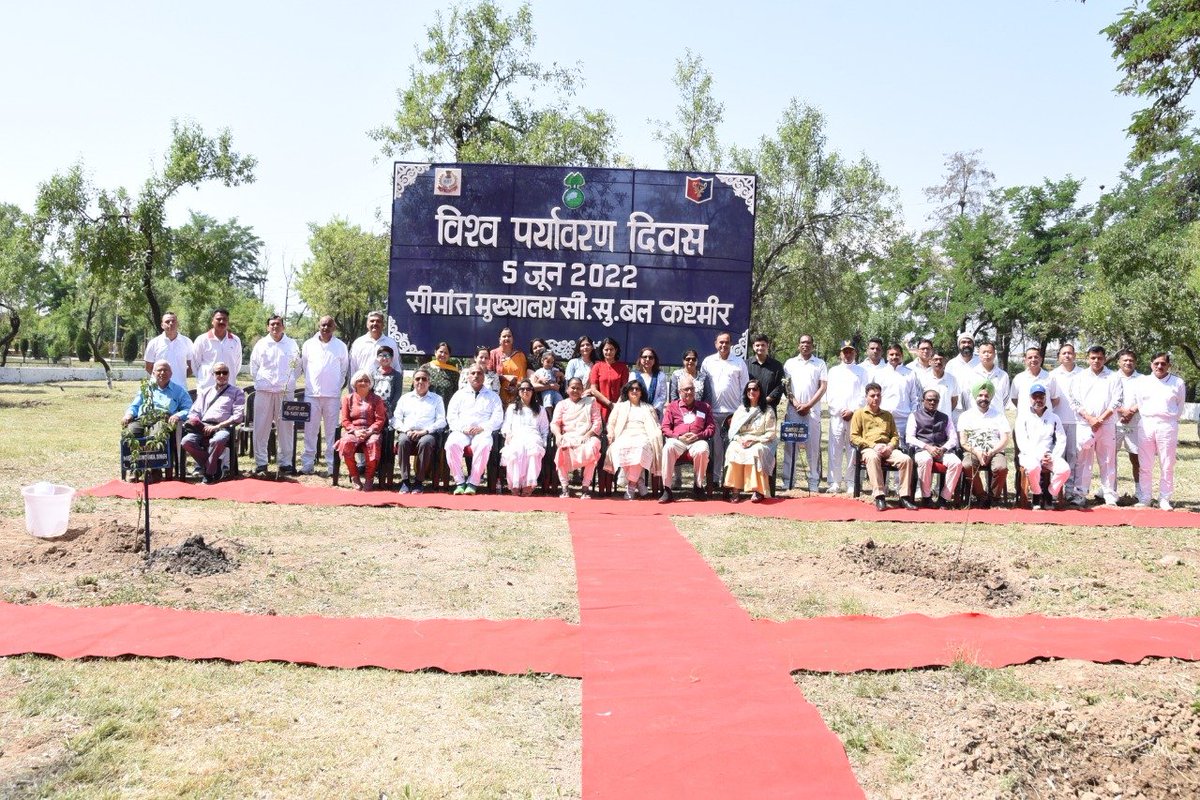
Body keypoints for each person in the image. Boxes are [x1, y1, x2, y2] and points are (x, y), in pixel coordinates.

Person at [1127, 352, 1186, 510]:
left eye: (1163, 364)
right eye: (1156, 363)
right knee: (1145, 463)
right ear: (1151, 364)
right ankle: (1145, 497)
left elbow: (1180, 406)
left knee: (1167, 463)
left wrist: (1170, 419)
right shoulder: (1143, 382)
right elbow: (1139, 402)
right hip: (1146, 423)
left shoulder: (1177, 382)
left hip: (1167, 425)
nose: (1159, 366)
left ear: (1168, 365)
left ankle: (1164, 498)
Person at [849, 382, 916, 511]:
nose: (876, 398)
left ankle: (904, 497)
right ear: (866, 397)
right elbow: (854, 437)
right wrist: (873, 446)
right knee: (873, 458)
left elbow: (895, 436)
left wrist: (890, 447)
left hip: (887, 448)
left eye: (878, 395)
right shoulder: (859, 414)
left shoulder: (887, 415)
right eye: (872, 395)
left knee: (906, 459)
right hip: (870, 448)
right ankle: (880, 496)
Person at [1070, 345, 1122, 506]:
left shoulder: (1113, 377)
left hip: (1106, 425)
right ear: (1087, 359)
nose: (1096, 361)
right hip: (1085, 425)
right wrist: (1090, 418)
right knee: (1083, 460)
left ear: (1104, 359)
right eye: (1093, 358)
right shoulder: (1079, 377)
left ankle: (1109, 494)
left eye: (1099, 358)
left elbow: (1117, 401)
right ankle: (1080, 494)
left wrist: (1100, 419)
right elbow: (1074, 401)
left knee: (1107, 460)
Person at [248, 315, 301, 475]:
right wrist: (265, 381)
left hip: (284, 392)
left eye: (278, 324)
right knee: (261, 428)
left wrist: (287, 381)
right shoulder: (261, 344)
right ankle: (261, 464)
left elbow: (297, 367)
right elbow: (254, 368)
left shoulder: (291, 344)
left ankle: (285, 464)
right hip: (264, 391)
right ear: (267, 327)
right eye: (272, 324)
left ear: (283, 327)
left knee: (285, 428)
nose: (275, 327)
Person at [181, 361, 246, 484]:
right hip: (203, 426)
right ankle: (214, 465)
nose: (221, 375)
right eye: (218, 373)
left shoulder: (237, 392)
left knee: (218, 440)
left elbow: (238, 416)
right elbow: (194, 412)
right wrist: (200, 424)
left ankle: (209, 474)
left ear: (229, 374)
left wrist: (218, 426)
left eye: (224, 372)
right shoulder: (205, 392)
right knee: (186, 441)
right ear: (213, 375)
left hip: (222, 427)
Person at [299, 315, 348, 476]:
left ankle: (331, 465)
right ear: (318, 326)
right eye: (323, 325)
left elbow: (344, 370)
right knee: (310, 431)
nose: (325, 328)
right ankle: (307, 465)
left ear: (334, 327)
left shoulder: (340, 346)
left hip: (332, 396)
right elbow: (305, 367)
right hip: (312, 394)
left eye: (329, 325)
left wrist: (336, 388)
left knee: (331, 432)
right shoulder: (308, 344)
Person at [701, 331, 749, 492]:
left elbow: (745, 388)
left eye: (727, 342)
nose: (723, 345)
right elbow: (702, 387)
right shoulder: (708, 362)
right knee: (716, 448)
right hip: (712, 412)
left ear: (731, 344)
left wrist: (742, 411)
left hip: (733, 414)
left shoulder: (739, 363)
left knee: (731, 448)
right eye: (721, 342)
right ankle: (714, 479)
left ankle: (728, 480)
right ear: (716, 344)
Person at [445, 364, 504, 495]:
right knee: (451, 444)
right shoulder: (459, 395)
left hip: (482, 432)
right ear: (468, 376)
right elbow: (451, 416)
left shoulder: (493, 396)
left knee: (483, 445)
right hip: (462, 431)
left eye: (479, 373)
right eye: (473, 373)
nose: (476, 376)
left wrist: (482, 428)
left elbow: (498, 418)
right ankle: (460, 482)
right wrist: (463, 428)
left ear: (484, 376)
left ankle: (473, 482)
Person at [781, 333, 827, 493]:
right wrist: (796, 403)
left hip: (812, 412)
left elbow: (822, 387)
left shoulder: (819, 363)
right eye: (802, 342)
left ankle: (814, 480)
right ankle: (788, 480)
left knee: (813, 447)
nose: (805, 345)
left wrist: (808, 405)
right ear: (798, 345)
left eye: (808, 342)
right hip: (793, 411)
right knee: (790, 446)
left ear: (812, 345)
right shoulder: (789, 363)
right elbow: (786, 387)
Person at [658, 374, 715, 502]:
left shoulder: (704, 407)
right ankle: (667, 489)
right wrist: (678, 437)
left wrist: (698, 436)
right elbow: (665, 428)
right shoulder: (672, 407)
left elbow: (711, 428)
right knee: (668, 447)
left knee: (703, 449)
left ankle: (698, 486)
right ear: (679, 392)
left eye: (692, 389)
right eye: (686, 389)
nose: (689, 392)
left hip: (697, 441)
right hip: (678, 441)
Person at [604, 380, 664, 500]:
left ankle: (631, 486)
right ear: (627, 391)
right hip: (624, 435)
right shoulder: (620, 406)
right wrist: (610, 432)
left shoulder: (649, 407)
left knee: (640, 448)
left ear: (641, 392)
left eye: (637, 389)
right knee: (619, 448)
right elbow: (611, 423)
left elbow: (656, 424)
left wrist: (657, 433)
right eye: (632, 389)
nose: (635, 391)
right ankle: (639, 481)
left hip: (643, 435)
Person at [1015, 383, 1070, 511]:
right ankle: (1036, 494)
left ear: (1046, 398)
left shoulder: (1054, 418)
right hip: (1029, 455)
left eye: (1041, 397)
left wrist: (1052, 456)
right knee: (1034, 467)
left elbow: (1061, 439)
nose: (1038, 400)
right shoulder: (1023, 417)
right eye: (1035, 397)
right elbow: (1022, 441)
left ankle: (1049, 494)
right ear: (1030, 398)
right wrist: (1039, 457)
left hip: (1049, 456)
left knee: (1064, 469)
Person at [722, 379, 778, 503]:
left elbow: (771, 433)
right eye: (749, 389)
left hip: (760, 441)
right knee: (733, 449)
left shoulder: (767, 410)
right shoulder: (741, 409)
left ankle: (757, 490)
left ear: (760, 392)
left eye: (755, 389)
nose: (751, 391)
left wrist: (754, 440)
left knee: (756, 451)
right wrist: (739, 439)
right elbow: (733, 432)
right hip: (742, 440)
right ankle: (735, 490)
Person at [905, 389, 962, 508]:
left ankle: (943, 498)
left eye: (935, 400)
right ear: (923, 401)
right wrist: (927, 447)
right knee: (925, 460)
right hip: (923, 450)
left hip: (942, 450)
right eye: (929, 400)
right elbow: (909, 438)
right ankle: (926, 497)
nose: (932, 402)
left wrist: (944, 449)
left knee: (956, 463)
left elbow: (953, 439)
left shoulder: (945, 417)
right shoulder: (914, 416)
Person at [958, 380, 1011, 507]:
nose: (983, 398)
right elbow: (963, 441)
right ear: (975, 397)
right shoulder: (965, 416)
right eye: (980, 395)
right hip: (973, 451)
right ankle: (982, 496)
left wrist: (992, 451)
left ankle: (994, 498)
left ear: (991, 397)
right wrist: (976, 451)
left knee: (1001, 468)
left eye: (986, 396)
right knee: (966, 465)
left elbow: (1005, 438)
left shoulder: (999, 416)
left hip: (995, 450)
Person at [393, 367, 446, 493]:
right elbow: (395, 419)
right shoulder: (405, 398)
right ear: (413, 381)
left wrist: (425, 431)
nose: (420, 381)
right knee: (402, 442)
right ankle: (405, 481)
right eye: (417, 379)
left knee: (425, 442)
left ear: (429, 382)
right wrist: (406, 430)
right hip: (407, 432)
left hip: (427, 434)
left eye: (424, 379)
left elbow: (442, 420)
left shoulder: (437, 399)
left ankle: (418, 481)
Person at [825, 340, 866, 495]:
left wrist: (853, 411)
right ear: (840, 354)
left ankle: (850, 481)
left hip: (854, 416)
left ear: (855, 353)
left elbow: (863, 394)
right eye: (845, 351)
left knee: (852, 450)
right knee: (834, 449)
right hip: (837, 416)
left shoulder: (861, 371)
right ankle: (834, 482)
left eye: (850, 351)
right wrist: (839, 410)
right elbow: (830, 393)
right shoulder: (833, 371)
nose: (847, 354)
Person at [551, 377, 602, 498]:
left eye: (579, 388)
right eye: (573, 387)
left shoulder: (590, 402)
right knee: (562, 447)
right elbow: (555, 423)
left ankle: (585, 488)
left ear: (583, 389)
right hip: (568, 435)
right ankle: (564, 487)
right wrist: (558, 435)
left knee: (593, 446)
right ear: (568, 389)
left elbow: (597, 422)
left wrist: (588, 435)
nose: (575, 390)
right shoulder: (561, 404)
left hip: (586, 435)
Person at [338, 370, 388, 491]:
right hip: (354, 431)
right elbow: (345, 420)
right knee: (347, 442)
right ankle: (355, 476)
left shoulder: (377, 399)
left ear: (370, 383)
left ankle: (369, 478)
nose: (363, 382)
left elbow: (380, 420)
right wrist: (355, 431)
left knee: (373, 443)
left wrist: (370, 431)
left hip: (371, 432)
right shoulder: (347, 399)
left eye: (366, 380)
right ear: (355, 383)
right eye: (360, 380)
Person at [499, 380, 550, 496]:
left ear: (533, 392)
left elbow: (545, 429)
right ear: (519, 392)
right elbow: (506, 425)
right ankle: (515, 483)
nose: (525, 391)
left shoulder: (540, 409)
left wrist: (544, 442)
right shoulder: (512, 408)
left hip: (533, 435)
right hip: (516, 435)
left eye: (528, 389)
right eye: (522, 389)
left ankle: (529, 483)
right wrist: (507, 434)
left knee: (533, 449)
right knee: (517, 448)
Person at [1047, 343, 1084, 499]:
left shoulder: (1083, 374)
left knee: (1073, 455)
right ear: (1059, 357)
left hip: (1077, 421)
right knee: (1057, 455)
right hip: (1058, 421)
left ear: (1074, 355)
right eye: (1064, 353)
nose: (1067, 356)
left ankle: (1070, 491)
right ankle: (1056, 490)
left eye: (1070, 353)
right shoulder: (1052, 375)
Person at [122, 360, 193, 439]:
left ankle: (155, 451)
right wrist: (128, 415)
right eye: (159, 370)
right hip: (143, 419)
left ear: (171, 373)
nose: (162, 373)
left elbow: (189, 409)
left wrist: (177, 416)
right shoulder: (146, 388)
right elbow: (135, 406)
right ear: (153, 373)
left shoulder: (179, 391)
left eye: (165, 370)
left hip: (163, 420)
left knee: (156, 435)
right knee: (129, 433)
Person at [876, 344, 921, 447]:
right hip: (883, 418)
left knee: (904, 452)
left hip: (904, 420)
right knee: (883, 450)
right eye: (891, 354)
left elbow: (915, 399)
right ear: (887, 356)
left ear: (902, 356)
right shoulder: (879, 374)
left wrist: (913, 418)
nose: (894, 357)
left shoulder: (910, 374)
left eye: (897, 354)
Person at [191, 308, 243, 392]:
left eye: (224, 319)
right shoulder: (202, 339)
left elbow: (237, 364)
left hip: (229, 387)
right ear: (212, 321)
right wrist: (204, 378)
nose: (222, 321)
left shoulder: (235, 340)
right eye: (218, 319)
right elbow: (195, 364)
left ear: (228, 322)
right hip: (206, 388)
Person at [1114, 348, 1143, 497]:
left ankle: (1139, 490)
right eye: (1125, 360)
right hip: (1114, 423)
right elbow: (1108, 399)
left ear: (1135, 362)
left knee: (1136, 457)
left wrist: (1131, 411)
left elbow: (1145, 400)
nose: (1128, 362)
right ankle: (1110, 489)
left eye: (1131, 360)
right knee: (1110, 457)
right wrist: (1121, 411)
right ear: (1119, 362)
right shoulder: (1111, 377)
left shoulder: (1143, 379)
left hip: (1135, 422)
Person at [143, 311, 193, 390]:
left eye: (173, 321)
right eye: (167, 321)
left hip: (180, 389)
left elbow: (191, 367)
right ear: (162, 325)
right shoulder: (154, 343)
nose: (170, 323)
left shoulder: (187, 342)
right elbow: (148, 367)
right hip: (158, 389)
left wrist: (179, 377)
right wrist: (161, 378)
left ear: (177, 324)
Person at [586, 337, 629, 423]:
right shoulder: (597, 367)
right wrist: (609, 403)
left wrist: (616, 405)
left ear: (616, 350)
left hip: (618, 406)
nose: (608, 352)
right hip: (599, 407)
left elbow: (625, 389)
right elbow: (593, 389)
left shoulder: (623, 367)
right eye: (606, 349)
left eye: (611, 349)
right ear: (602, 350)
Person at [349, 311, 399, 379]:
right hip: (363, 384)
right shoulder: (358, 343)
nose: (375, 323)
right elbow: (352, 367)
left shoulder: (391, 343)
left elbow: (396, 365)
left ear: (383, 325)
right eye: (372, 321)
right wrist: (353, 387)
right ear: (367, 324)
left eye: (378, 321)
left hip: (384, 385)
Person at [489, 327, 527, 407]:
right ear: (499, 339)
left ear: (512, 339)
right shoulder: (493, 354)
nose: (507, 338)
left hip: (516, 397)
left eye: (509, 336)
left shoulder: (520, 355)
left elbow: (523, 378)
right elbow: (488, 375)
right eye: (504, 336)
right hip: (497, 398)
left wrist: (517, 389)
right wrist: (504, 377)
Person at [746, 333, 786, 411]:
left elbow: (780, 386)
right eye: (757, 345)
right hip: (750, 408)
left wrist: (766, 400)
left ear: (767, 346)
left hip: (769, 408)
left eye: (763, 345)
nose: (760, 348)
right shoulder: (745, 364)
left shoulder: (777, 365)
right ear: (753, 347)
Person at [968, 342, 1010, 415]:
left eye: (990, 352)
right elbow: (966, 397)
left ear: (994, 354)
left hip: (997, 417)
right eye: (984, 352)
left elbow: (1005, 399)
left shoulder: (1003, 375)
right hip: (976, 417)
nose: (986, 355)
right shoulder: (971, 374)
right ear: (979, 354)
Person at [945, 333, 980, 415]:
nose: (966, 344)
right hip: (957, 409)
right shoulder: (951, 364)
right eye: (963, 342)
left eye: (969, 342)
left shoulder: (980, 362)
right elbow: (947, 387)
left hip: (977, 408)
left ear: (973, 344)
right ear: (958, 345)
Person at [421, 341, 460, 410]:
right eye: (441, 352)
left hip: (445, 409)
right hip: (425, 409)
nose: (443, 354)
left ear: (449, 356)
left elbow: (456, 394)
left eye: (446, 353)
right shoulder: (425, 368)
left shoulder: (454, 372)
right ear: (435, 352)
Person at [919, 351, 959, 416]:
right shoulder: (923, 379)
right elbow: (920, 400)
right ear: (930, 362)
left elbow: (954, 400)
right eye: (935, 360)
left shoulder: (952, 379)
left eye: (941, 359)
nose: (938, 362)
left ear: (945, 362)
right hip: (927, 419)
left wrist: (946, 413)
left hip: (945, 419)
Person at [632, 346, 668, 417]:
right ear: (640, 359)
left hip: (654, 413)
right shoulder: (633, 375)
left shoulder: (661, 375)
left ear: (654, 360)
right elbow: (631, 393)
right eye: (644, 357)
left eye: (650, 357)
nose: (647, 359)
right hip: (637, 412)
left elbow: (663, 396)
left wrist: (654, 408)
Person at [372, 345, 404, 418]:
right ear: (377, 358)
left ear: (392, 358)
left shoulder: (397, 375)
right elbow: (370, 391)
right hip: (374, 408)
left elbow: (397, 394)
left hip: (389, 409)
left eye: (387, 356)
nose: (384, 358)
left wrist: (390, 407)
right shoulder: (372, 373)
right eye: (381, 355)